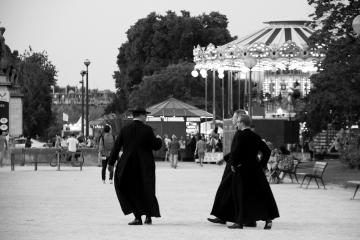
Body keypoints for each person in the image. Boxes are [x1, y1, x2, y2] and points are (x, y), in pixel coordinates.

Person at [107, 106, 163, 225]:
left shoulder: (125, 130)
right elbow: (155, 146)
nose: (146, 119)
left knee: (131, 189)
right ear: (142, 116)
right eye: (146, 116)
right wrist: (159, 139)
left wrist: (110, 163)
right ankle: (148, 216)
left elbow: (116, 148)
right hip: (146, 164)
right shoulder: (147, 130)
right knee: (147, 188)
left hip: (128, 163)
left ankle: (137, 217)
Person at [227, 114, 279, 229]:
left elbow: (237, 151)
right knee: (259, 194)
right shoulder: (256, 136)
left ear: (242, 123)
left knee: (240, 195)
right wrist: (262, 165)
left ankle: (239, 222)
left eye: (238, 122)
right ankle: (267, 219)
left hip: (242, 168)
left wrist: (234, 164)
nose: (237, 123)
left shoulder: (240, 136)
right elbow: (266, 151)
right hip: (255, 169)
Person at [208, 109, 248, 226]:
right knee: (230, 192)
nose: (233, 120)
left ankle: (226, 216)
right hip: (232, 163)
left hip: (234, 165)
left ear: (240, 119)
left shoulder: (241, 133)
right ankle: (223, 216)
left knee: (226, 190)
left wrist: (229, 161)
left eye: (235, 117)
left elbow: (238, 151)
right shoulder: (239, 132)